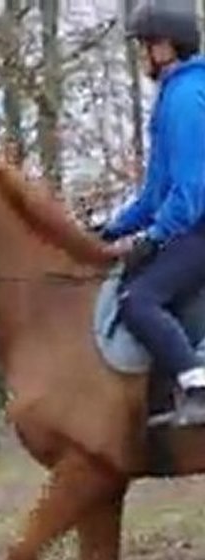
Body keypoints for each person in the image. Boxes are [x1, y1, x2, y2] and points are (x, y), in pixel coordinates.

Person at [98, 2, 205, 426]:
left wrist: (155, 237)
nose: (141, 55)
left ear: (165, 48)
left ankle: (197, 386)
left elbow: (192, 189)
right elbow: (155, 193)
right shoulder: (174, 94)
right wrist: (113, 228)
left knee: (138, 299)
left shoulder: (186, 97)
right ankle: (162, 396)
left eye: (144, 45)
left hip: (200, 226)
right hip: (191, 224)